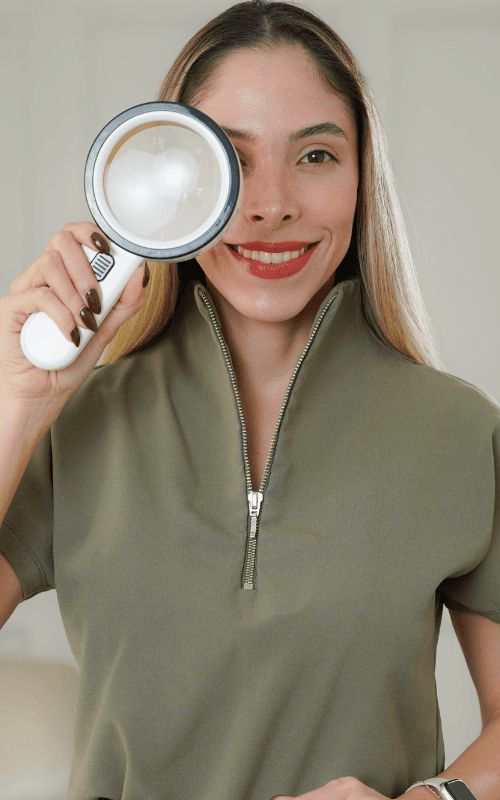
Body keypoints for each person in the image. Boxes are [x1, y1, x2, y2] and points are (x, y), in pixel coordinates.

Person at [0, 2, 499, 799]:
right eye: (231, 160)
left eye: (315, 155)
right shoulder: (76, 425)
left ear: (363, 175)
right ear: (170, 181)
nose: (271, 204)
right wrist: (19, 402)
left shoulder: (464, 435)